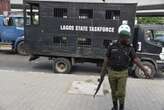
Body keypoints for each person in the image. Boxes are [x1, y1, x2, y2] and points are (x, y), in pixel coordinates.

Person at [100, 22, 150, 110]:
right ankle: (115, 107)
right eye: (125, 36)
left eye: (128, 36)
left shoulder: (130, 48)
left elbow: (135, 59)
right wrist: (102, 73)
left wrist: (144, 70)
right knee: (114, 92)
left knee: (121, 93)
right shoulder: (112, 46)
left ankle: (121, 108)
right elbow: (106, 60)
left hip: (123, 73)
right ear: (120, 36)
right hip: (111, 72)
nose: (127, 38)